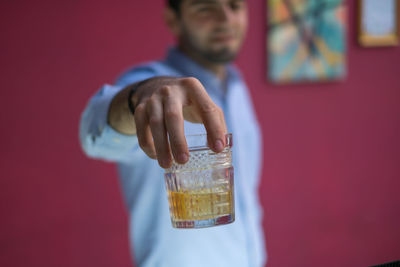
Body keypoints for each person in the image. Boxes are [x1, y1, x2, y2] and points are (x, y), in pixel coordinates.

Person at [79, 0, 266, 266]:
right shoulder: (148, 81)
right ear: (173, 20)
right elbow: (93, 135)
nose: (225, 18)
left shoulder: (237, 87)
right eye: (205, 8)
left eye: (235, 5)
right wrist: (138, 98)